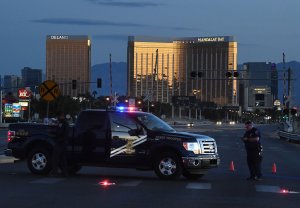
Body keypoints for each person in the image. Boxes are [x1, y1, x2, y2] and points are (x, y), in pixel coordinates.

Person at [49, 111, 69, 177]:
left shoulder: (62, 123)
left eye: (58, 117)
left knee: (55, 158)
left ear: (60, 116)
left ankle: (54, 172)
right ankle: (65, 173)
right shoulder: (65, 123)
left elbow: (60, 132)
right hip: (64, 143)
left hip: (60, 142)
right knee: (63, 159)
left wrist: (53, 133)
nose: (57, 118)